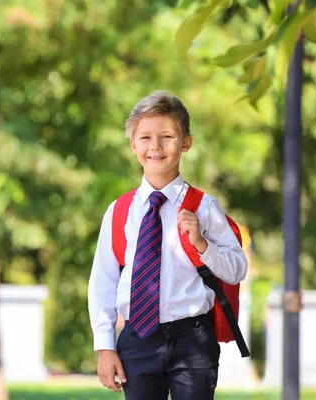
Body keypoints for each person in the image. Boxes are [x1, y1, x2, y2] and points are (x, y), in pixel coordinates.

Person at [87, 90, 248, 400]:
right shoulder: (120, 211)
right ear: (133, 144)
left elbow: (236, 269)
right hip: (138, 338)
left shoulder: (204, 207)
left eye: (167, 136)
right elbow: (103, 282)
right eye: (145, 137)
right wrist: (105, 345)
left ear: (185, 143)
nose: (155, 146)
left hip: (192, 338)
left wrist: (202, 244)